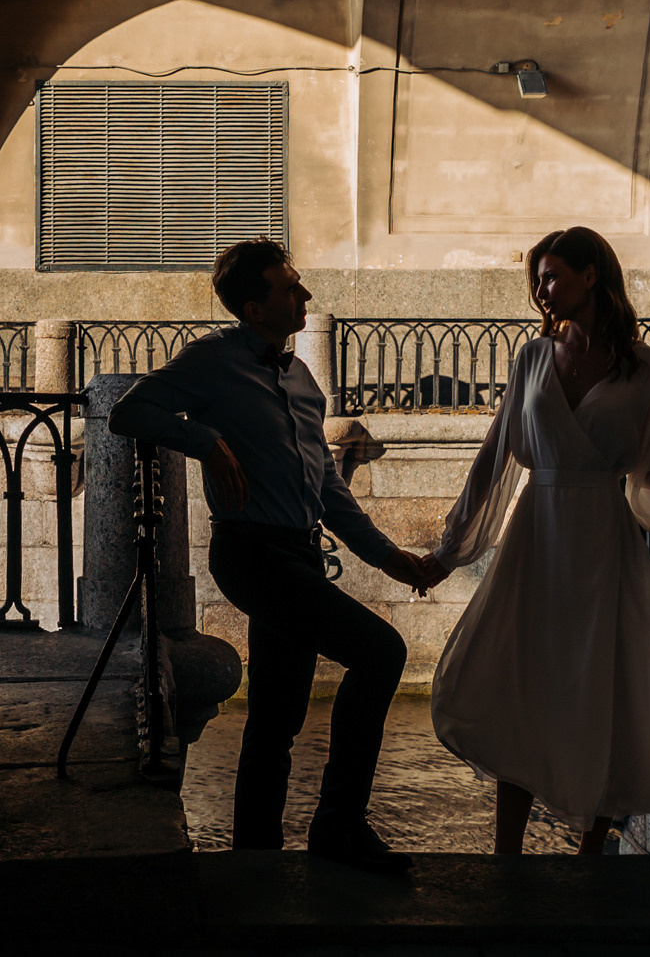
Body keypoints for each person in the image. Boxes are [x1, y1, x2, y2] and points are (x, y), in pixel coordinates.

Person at [109, 239, 439, 872]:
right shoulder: (210, 362)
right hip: (250, 554)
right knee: (381, 651)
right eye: (290, 287)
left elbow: (327, 491)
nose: (305, 295)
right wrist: (203, 438)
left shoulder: (301, 379)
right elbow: (129, 412)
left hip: (298, 553)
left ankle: (253, 856)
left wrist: (388, 557)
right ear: (254, 307)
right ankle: (340, 824)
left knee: (276, 717)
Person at [416, 227, 650, 855]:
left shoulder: (647, 368)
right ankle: (505, 854)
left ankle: (591, 858)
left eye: (552, 276)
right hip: (537, 540)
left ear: (591, 276)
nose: (541, 290)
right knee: (521, 684)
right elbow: (497, 460)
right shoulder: (531, 358)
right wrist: (449, 552)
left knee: (601, 689)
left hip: (601, 543)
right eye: (538, 279)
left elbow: (647, 471)